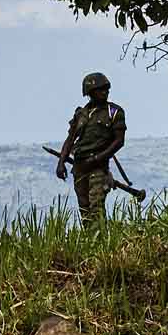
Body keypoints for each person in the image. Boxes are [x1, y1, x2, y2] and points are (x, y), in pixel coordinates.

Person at [57, 72, 127, 226]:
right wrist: (61, 163)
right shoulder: (81, 114)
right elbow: (70, 140)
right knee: (84, 209)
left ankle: (100, 242)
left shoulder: (114, 112)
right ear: (90, 93)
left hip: (98, 168)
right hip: (79, 167)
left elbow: (119, 141)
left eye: (106, 89)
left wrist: (97, 158)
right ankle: (90, 242)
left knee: (96, 207)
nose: (105, 92)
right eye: (100, 89)